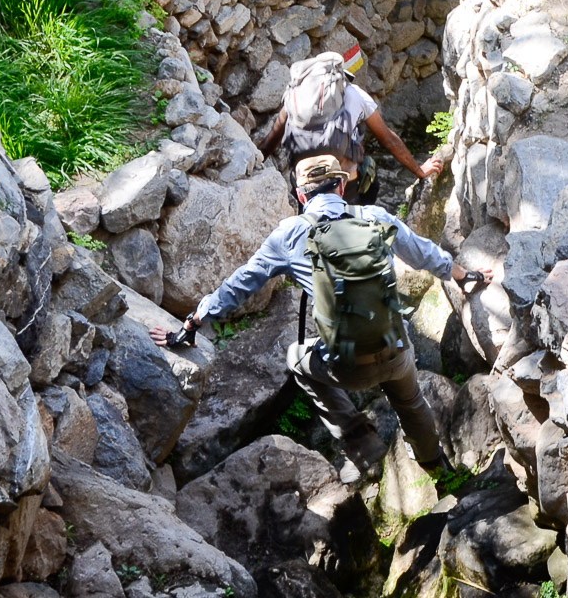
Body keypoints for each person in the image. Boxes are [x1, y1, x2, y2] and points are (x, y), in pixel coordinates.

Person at [151, 154, 491, 481]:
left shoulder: (288, 235)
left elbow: (237, 287)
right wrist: (463, 276)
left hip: (347, 366)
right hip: (396, 351)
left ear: (301, 195)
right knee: (411, 400)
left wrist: (193, 322)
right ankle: (437, 469)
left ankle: (361, 443)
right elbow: (425, 254)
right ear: (341, 188)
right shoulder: (376, 217)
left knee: (296, 358)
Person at [258, 47, 443, 203]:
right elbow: (389, 140)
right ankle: (358, 221)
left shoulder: (295, 99)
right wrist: (420, 170)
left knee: (308, 209)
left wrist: (252, 166)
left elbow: (269, 144)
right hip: (345, 184)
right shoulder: (354, 94)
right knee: (369, 170)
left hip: (304, 184)